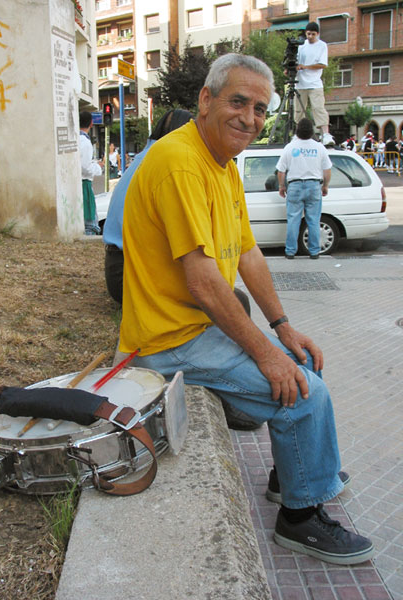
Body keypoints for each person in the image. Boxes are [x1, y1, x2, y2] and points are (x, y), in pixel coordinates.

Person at [120, 53, 374, 565]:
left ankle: (294, 474)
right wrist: (265, 351)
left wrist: (283, 329)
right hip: (169, 344)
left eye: (260, 108)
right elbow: (203, 281)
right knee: (303, 393)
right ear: (206, 100)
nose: (250, 118)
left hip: (194, 329)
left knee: (302, 362)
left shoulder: (222, 164)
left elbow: (249, 254)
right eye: (239, 102)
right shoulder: (179, 162)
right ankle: (300, 518)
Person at [103, 108, 193, 304]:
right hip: (129, 273)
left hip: (119, 268)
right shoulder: (164, 163)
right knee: (228, 301)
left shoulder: (145, 157)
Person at [276, 118, 332, 259]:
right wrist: (325, 185)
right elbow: (327, 169)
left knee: (293, 220)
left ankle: (290, 251)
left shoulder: (290, 147)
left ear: (297, 131)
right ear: (312, 131)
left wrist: (282, 186)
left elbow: (281, 171)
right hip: (314, 185)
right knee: (313, 220)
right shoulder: (319, 147)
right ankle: (314, 252)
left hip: (294, 186)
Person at [294, 22, 335, 147]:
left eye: (313, 34)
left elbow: (323, 64)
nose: (310, 36)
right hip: (300, 84)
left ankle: (325, 135)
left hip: (315, 83)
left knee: (318, 108)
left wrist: (305, 67)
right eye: (308, 33)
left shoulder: (322, 46)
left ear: (317, 34)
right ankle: (298, 135)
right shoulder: (301, 46)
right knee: (298, 110)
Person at [79, 111, 104, 235]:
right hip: (85, 183)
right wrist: (98, 167)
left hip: (79, 182)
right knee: (90, 222)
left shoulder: (75, 139)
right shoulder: (85, 142)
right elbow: (85, 167)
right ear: (91, 123)